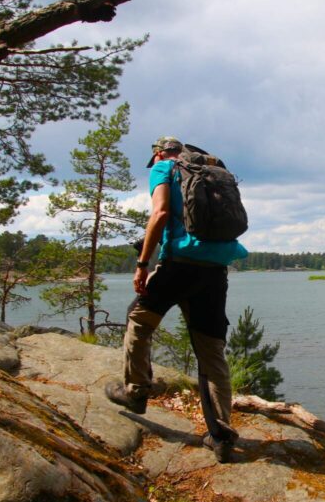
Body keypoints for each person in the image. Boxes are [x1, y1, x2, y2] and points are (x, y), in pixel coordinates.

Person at [105, 136, 248, 463]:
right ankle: (221, 435)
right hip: (214, 271)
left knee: (139, 321)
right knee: (211, 351)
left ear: (158, 153)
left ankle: (136, 392)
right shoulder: (211, 169)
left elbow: (160, 213)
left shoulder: (163, 169)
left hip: (177, 266)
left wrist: (142, 264)